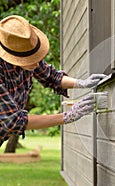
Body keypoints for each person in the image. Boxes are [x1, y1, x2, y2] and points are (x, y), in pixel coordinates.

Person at [0, 15, 105, 147]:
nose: (37, 65)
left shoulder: (25, 52)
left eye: (37, 57)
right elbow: (14, 121)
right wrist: (68, 116)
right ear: (12, 57)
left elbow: (52, 77)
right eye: (31, 60)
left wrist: (81, 83)